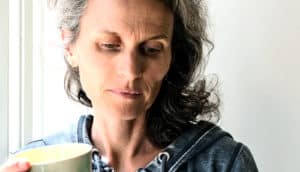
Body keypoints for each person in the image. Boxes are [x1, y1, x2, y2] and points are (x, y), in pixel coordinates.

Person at [0, 0, 258, 171]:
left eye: (151, 49)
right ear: (69, 47)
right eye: (110, 46)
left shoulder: (222, 162)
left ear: (172, 57)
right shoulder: (32, 163)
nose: (131, 71)